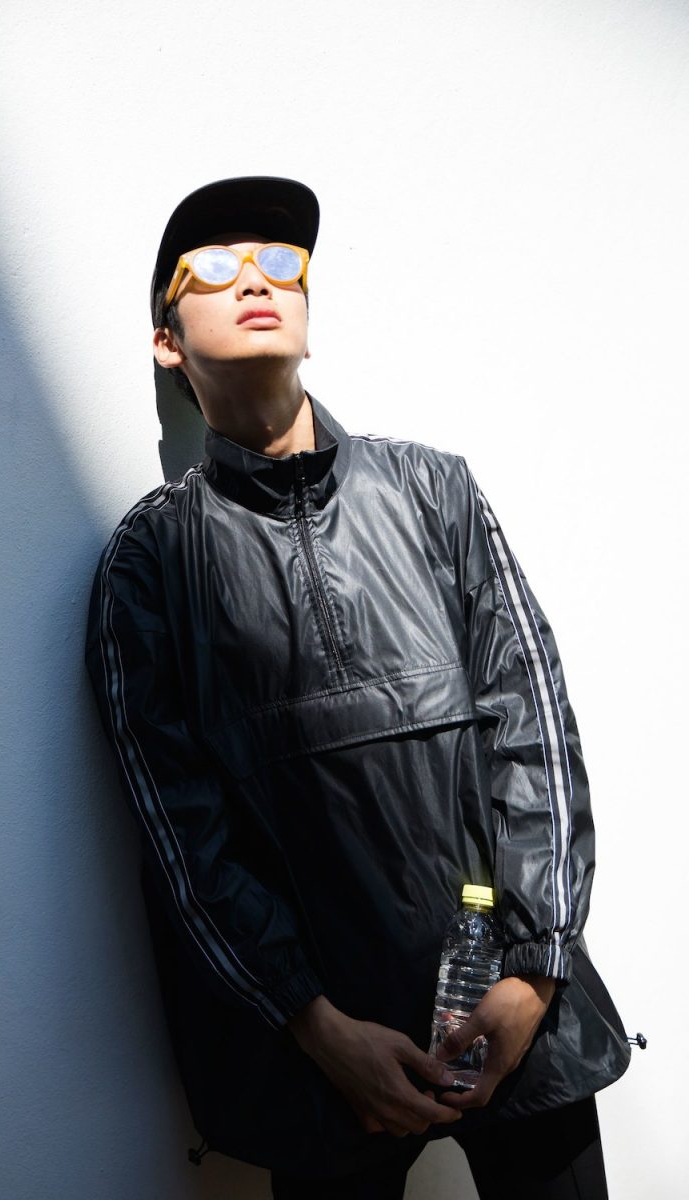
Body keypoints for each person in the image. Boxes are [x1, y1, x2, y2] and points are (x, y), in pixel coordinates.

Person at [85, 177, 631, 1199]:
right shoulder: (150, 561)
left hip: (514, 1005)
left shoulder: (433, 490)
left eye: (281, 263)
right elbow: (180, 836)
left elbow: (535, 732)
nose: (257, 281)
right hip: (322, 1063)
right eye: (215, 267)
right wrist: (316, 1026)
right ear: (166, 341)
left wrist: (533, 974)